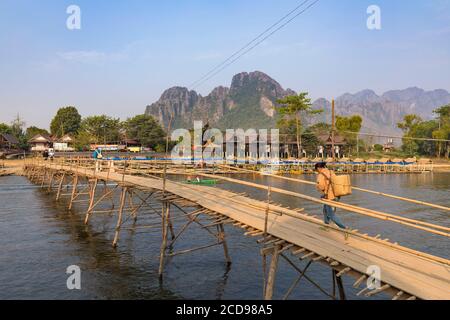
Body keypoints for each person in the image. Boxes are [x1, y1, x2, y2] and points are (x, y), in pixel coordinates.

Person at [315, 162, 346, 229]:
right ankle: (326, 225)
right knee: (325, 210)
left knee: (330, 214)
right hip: (336, 195)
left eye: (316, 170)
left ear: (318, 168)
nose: (317, 171)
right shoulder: (331, 172)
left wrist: (317, 186)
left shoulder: (321, 175)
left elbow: (321, 186)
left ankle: (344, 228)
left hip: (329, 196)